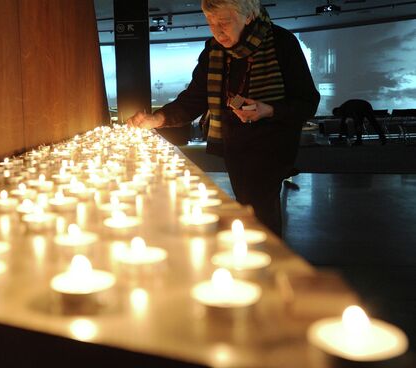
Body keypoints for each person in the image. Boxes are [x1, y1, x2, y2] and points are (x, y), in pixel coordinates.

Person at [126, 0, 319, 237]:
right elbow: (194, 99)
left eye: (224, 22)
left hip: (272, 146)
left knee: (261, 211)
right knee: (248, 207)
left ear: (248, 16)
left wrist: (267, 110)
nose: (217, 31)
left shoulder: (281, 43)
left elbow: (307, 102)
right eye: (210, 23)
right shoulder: (214, 50)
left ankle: (269, 262)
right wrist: (158, 118)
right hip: (235, 147)